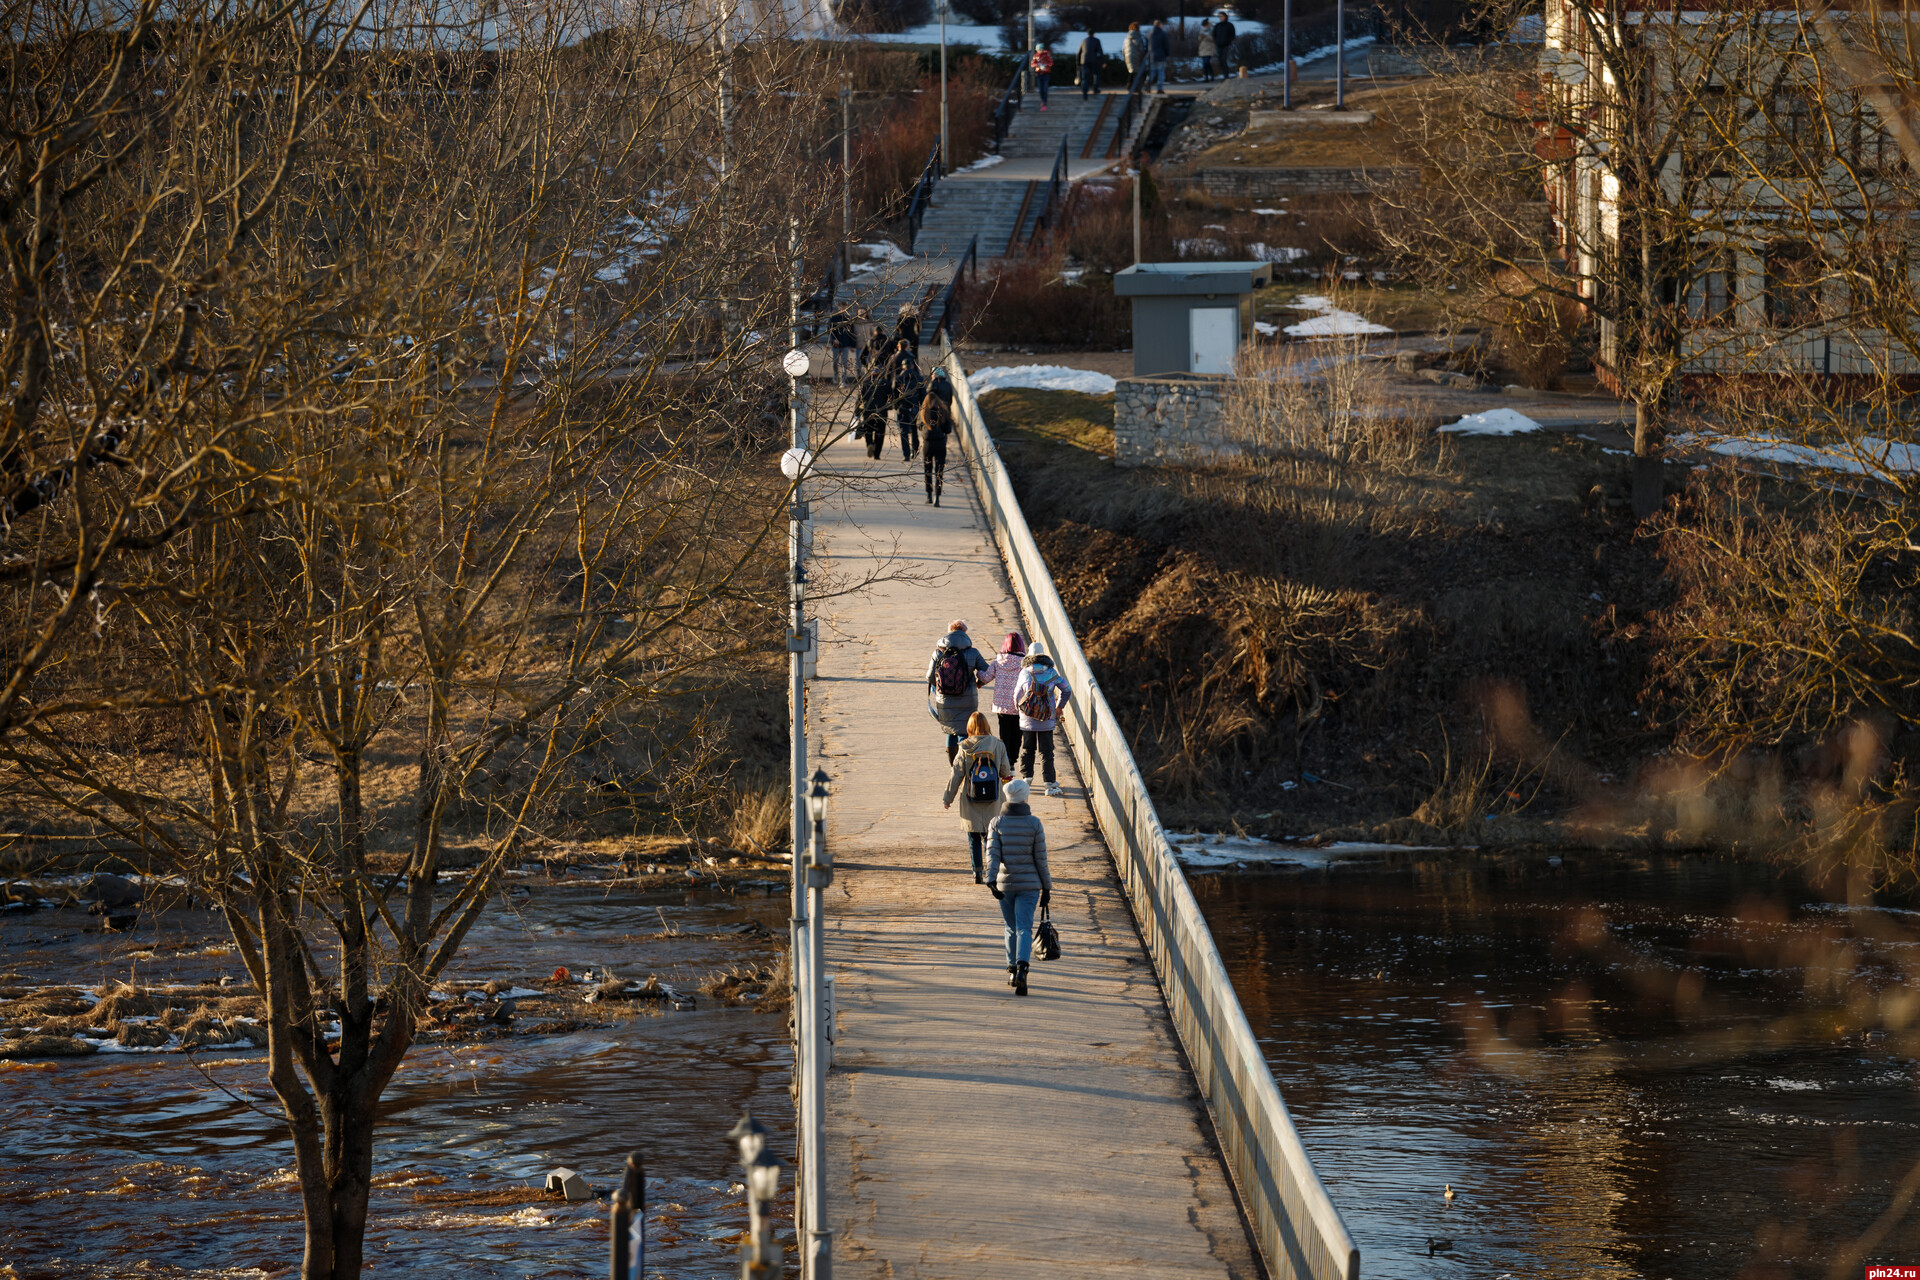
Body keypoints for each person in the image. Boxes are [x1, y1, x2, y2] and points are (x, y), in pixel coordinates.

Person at [985, 777, 1050, 996]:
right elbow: (1041, 858)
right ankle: (1023, 969)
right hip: (1030, 885)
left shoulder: (996, 823)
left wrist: (991, 880)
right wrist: (1047, 887)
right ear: (1025, 797)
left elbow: (992, 855)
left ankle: (1011, 970)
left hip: (1005, 884)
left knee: (1010, 927)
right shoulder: (1034, 823)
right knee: (1024, 927)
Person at [942, 710, 1014, 883]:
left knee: (973, 836)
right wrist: (1012, 795)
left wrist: (947, 798)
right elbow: (1005, 771)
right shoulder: (998, 745)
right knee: (990, 836)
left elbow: (956, 775)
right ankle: (992, 868)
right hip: (994, 798)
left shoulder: (964, 747)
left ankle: (977, 871)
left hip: (971, 798)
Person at [927, 619, 993, 763]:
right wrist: (979, 682)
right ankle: (965, 763)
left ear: (949, 633)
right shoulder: (973, 652)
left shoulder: (938, 653)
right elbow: (988, 672)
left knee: (950, 730)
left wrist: (937, 686)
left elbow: (929, 677)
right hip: (967, 699)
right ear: (964, 633)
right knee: (964, 731)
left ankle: (953, 765)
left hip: (945, 700)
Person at [1013, 642, 1073, 797]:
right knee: (1047, 752)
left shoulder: (1024, 673)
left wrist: (1020, 710)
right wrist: (1059, 707)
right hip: (1047, 718)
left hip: (1028, 719)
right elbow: (1066, 689)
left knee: (1027, 749)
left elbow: (1016, 695)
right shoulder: (1052, 673)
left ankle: (1027, 778)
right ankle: (1049, 782)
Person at [987, 631, 1027, 750]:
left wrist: (977, 673)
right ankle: (1013, 761)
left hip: (1001, 704)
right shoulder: (1024, 662)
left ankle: (1006, 761)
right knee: (1017, 733)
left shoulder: (998, 661)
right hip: (1018, 704)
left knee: (1004, 733)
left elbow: (986, 677)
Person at [919, 382, 954, 505]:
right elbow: (948, 429)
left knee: (927, 470)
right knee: (939, 471)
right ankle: (937, 497)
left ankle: (928, 495)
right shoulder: (943, 411)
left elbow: (919, 426)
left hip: (928, 444)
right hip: (940, 443)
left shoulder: (924, 412)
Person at [893, 353, 925, 462]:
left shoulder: (898, 379)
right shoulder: (919, 378)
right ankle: (915, 450)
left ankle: (906, 454)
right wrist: (921, 406)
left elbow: (894, 395)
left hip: (902, 408)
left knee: (904, 432)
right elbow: (923, 394)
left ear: (903, 367)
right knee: (914, 430)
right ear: (912, 366)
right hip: (914, 407)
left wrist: (897, 406)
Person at [858, 356, 890, 459]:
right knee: (880, 434)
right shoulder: (886, 383)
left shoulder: (865, 382)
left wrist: (857, 411)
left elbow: (860, 398)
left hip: (868, 411)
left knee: (868, 430)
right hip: (882, 412)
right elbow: (891, 398)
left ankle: (869, 444)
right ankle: (877, 454)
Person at [828, 306, 858, 386]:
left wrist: (853, 345)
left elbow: (852, 332)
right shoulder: (833, 319)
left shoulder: (848, 319)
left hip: (846, 344)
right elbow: (829, 331)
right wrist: (833, 339)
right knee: (835, 362)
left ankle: (843, 381)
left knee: (844, 363)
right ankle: (835, 375)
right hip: (836, 345)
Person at [1076, 30, 1103, 98]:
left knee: (1085, 77)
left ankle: (1084, 91)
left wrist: (1078, 63)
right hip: (1094, 61)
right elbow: (1100, 51)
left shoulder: (1084, 41)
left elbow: (1079, 52)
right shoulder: (1096, 40)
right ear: (1094, 34)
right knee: (1096, 74)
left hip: (1084, 61)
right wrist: (1103, 61)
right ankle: (1095, 89)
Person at [1148, 20, 1170, 93]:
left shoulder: (1149, 34)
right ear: (1159, 25)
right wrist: (1167, 54)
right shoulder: (1163, 34)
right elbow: (1166, 45)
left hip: (1152, 55)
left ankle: (1147, 85)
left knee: (1152, 72)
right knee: (1161, 72)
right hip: (1161, 55)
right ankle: (1159, 88)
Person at [1212, 11, 1237, 76]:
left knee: (1223, 59)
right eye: (1219, 16)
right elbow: (1214, 34)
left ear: (1225, 17)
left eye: (1222, 16)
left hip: (1226, 45)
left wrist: (1228, 41)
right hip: (1219, 45)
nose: (1221, 18)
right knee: (1220, 60)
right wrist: (1216, 41)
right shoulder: (1217, 25)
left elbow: (1232, 35)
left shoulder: (1229, 25)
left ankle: (1226, 75)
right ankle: (1224, 74)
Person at [1029, 43, 1053, 109]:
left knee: (1045, 89)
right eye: (1038, 50)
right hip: (1039, 74)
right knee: (1040, 89)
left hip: (1046, 74)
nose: (1040, 51)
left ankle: (1044, 102)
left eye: (1041, 49)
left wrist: (1045, 65)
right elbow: (1032, 64)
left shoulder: (1047, 54)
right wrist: (1038, 65)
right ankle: (1042, 99)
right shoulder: (1035, 55)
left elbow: (1051, 63)